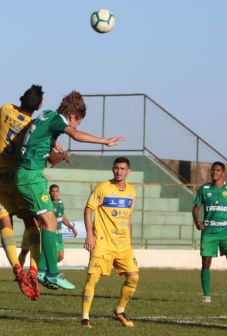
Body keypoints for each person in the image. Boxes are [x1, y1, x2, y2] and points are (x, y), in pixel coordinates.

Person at [15, 91, 124, 291]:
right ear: (72, 116)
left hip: (31, 175)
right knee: (49, 223)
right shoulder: (59, 121)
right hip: (31, 176)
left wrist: (53, 142)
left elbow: (37, 132)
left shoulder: (47, 115)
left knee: (48, 224)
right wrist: (105, 141)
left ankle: (42, 270)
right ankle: (51, 273)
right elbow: (75, 135)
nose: (75, 126)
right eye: (78, 122)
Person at [81, 157, 139, 329]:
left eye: (122, 169)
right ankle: (85, 318)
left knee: (134, 277)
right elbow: (88, 210)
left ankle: (119, 311)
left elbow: (128, 218)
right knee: (93, 278)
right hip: (103, 242)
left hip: (123, 244)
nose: (119, 171)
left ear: (129, 171)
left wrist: (130, 240)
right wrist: (89, 235)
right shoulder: (103, 187)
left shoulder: (132, 192)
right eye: (116, 168)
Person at [0, 85, 44, 300]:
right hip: (19, 178)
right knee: (32, 223)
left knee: (5, 223)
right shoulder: (33, 126)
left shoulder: (6, 109)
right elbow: (47, 156)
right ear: (40, 106)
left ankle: (17, 268)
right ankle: (34, 270)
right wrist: (62, 155)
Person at [192, 161, 227, 304]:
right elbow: (196, 208)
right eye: (213, 170)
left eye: (218, 170)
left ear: (223, 173)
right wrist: (197, 221)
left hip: (226, 232)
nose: (215, 173)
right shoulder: (204, 189)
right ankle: (206, 296)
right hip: (209, 232)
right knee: (206, 262)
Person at [18, 184, 77, 272]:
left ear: (59, 192)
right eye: (53, 191)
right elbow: (39, 214)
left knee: (60, 257)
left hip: (59, 235)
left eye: (56, 191)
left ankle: (40, 269)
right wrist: (37, 224)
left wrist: (71, 227)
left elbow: (62, 216)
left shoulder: (60, 203)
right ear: (49, 193)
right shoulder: (47, 203)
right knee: (28, 251)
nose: (55, 193)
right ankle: (33, 271)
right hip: (50, 233)